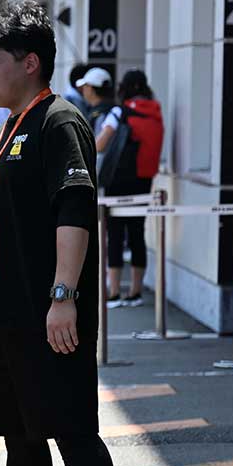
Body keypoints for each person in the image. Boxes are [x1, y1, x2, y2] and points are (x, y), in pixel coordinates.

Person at [0, 0, 125, 466]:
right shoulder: (6, 127)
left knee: (74, 432)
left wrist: (64, 295)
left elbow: (74, 209)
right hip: (5, 316)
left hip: (49, 315)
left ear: (30, 62)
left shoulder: (60, 121)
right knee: (20, 438)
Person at [97, 68, 164, 307]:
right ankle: (136, 292)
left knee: (114, 234)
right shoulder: (155, 112)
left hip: (118, 181)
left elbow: (101, 144)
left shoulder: (119, 112)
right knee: (137, 233)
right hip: (143, 179)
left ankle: (114, 292)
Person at [75, 66, 114, 132]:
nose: (83, 89)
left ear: (90, 88)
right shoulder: (112, 108)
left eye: (85, 85)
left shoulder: (100, 114)